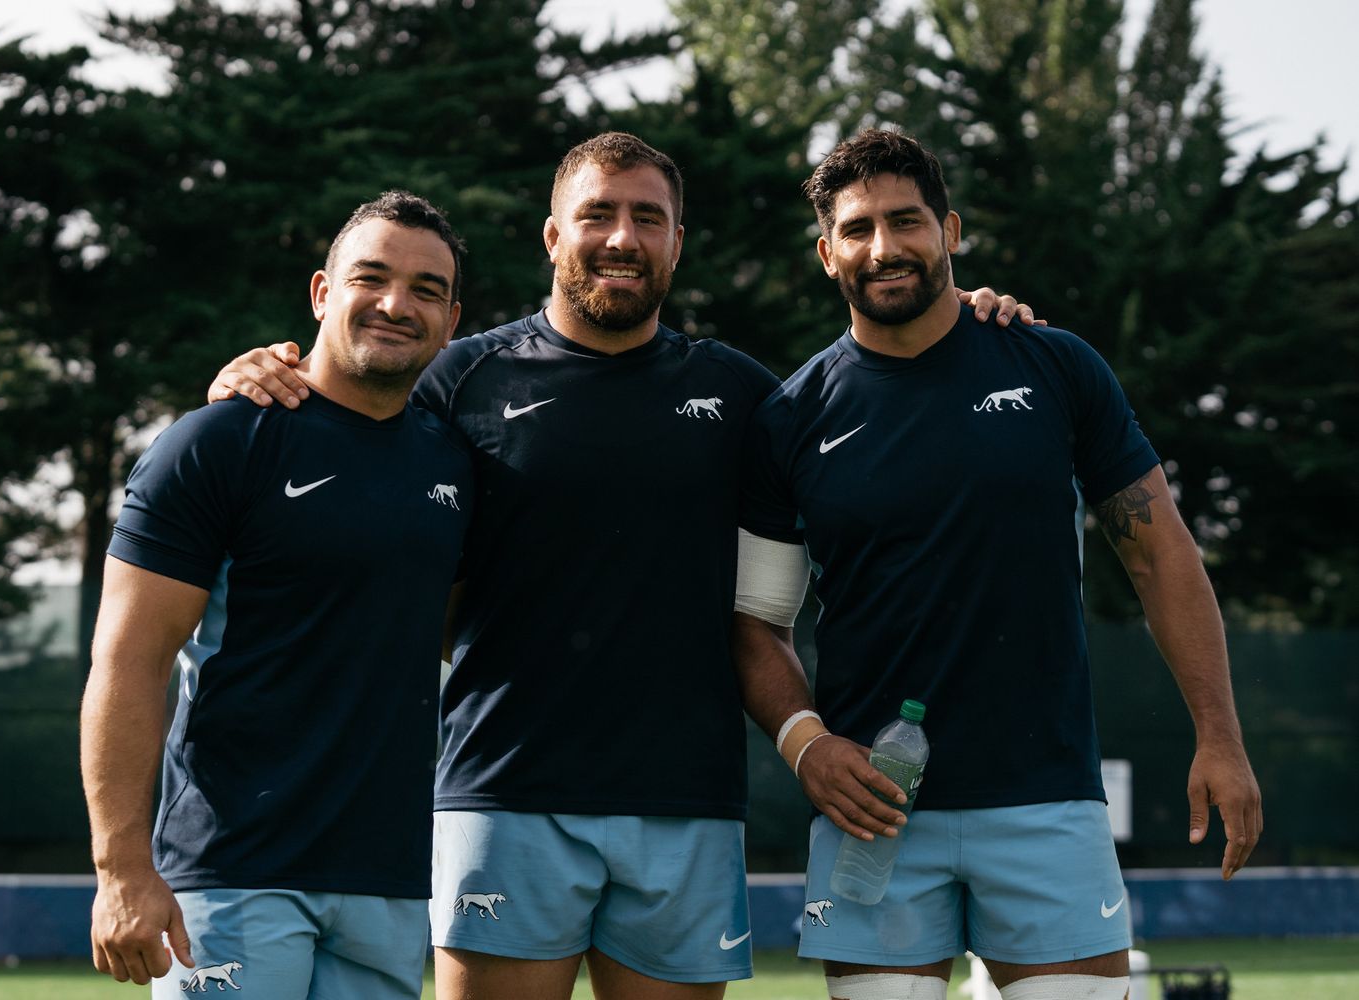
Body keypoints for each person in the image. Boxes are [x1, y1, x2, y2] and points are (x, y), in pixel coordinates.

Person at [207, 132, 1034, 1000]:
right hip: (504, 797)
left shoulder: (747, 395)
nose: (621, 238)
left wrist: (973, 318)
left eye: (649, 218)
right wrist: (266, 368)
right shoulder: (459, 377)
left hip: (688, 806)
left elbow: (886, 377)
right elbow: (352, 395)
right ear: (554, 235)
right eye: (596, 214)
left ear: (677, 243)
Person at [733, 128, 1263, 1000]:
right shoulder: (789, 417)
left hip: (1046, 798)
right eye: (859, 229)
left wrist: (1222, 736)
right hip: (873, 810)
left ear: (950, 229)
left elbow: (1161, 554)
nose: (886, 247)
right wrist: (807, 748)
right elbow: (756, 620)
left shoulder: (1052, 364)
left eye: (908, 222)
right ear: (827, 254)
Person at [80, 191, 472, 1000]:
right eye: (372, 278)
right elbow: (129, 661)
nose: (397, 304)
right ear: (323, 292)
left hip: (389, 882)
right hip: (232, 872)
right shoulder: (217, 442)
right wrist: (121, 868)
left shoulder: (457, 462)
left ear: (453, 317)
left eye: (426, 290)